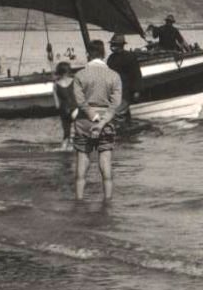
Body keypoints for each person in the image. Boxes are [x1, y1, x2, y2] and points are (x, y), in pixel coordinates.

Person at [71, 40, 124, 201]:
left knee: (82, 163)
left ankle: (79, 201)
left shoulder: (80, 75)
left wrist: (92, 116)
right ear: (104, 54)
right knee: (105, 163)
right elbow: (115, 105)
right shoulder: (114, 76)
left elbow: (80, 102)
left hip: (84, 123)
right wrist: (101, 122)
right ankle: (107, 202)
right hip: (106, 122)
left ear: (88, 55)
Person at [107, 33, 147, 103]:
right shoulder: (111, 58)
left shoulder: (129, 56)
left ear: (120, 45)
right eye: (112, 44)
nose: (112, 46)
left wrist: (137, 91)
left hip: (127, 89)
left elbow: (136, 74)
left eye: (114, 44)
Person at [52, 61, 79, 151]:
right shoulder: (74, 81)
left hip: (64, 110)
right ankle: (75, 148)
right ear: (68, 71)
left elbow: (57, 105)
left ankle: (63, 149)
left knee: (66, 134)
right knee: (78, 132)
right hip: (75, 108)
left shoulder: (55, 85)